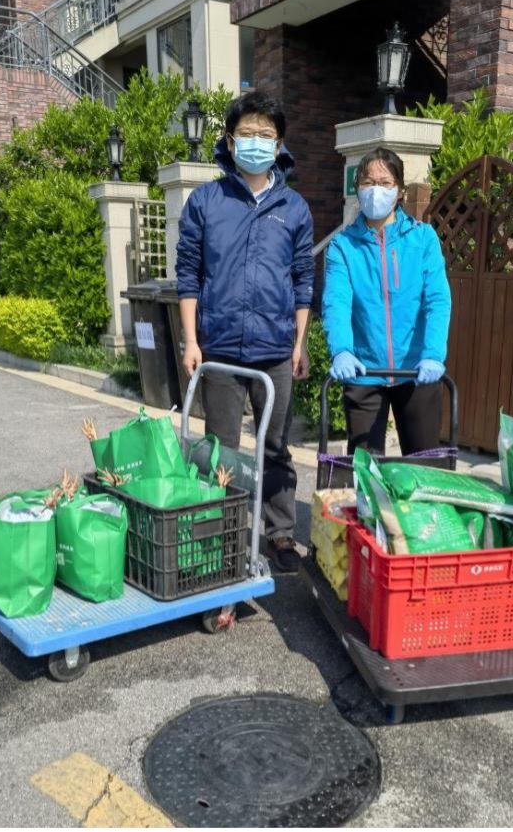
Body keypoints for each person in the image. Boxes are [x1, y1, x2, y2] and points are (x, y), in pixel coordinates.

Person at [176, 91, 315, 572]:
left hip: (275, 350)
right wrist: (191, 340)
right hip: (220, 351)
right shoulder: (206, 201)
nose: (256, 142)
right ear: (231, 142)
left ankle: (279, 534)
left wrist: (300, 344)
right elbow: (188, 273)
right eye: (247, 133)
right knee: (221, 449)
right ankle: (222, 540)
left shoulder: (294, 208)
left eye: (265, 135)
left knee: (275, 447)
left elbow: (303, 279)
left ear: (279, 145)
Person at [322, 146, 451, 455]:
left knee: (424, 463)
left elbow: (437, 299)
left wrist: (433, 353)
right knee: (365, 465)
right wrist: (342, 350)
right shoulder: (343, 246)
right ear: (357, 188)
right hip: (364, 371)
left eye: (385, 182)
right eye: (368, 182)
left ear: (400, 190)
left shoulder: (423, 238)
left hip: (416, 370)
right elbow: (336, 302)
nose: (375, 190)